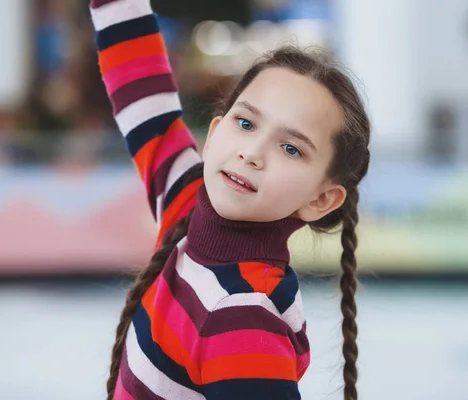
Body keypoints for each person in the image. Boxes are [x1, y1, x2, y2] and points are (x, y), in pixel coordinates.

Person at [90, 0, 371, 399]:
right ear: (216, 131)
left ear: (321, 200)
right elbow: (140, 84)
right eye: (245, 123)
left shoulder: (245, 316)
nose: (252, 152)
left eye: (291, 148)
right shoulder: (185, 200)